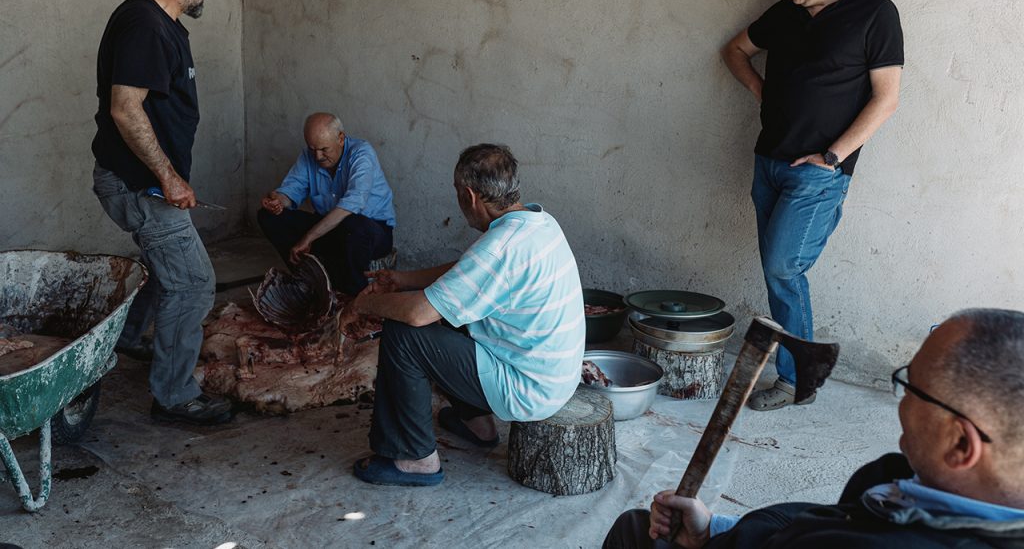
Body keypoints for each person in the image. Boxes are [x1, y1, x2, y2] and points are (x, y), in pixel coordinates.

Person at [602, 308, 1024, 548]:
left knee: (633, 533)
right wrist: (716, 531)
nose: (903, 399)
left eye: (911, 386)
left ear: (960, 444)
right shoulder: (910, 482)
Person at [721, 0, 904, 410]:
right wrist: (761, 91)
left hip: (817, 173)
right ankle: (799, 375)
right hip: (769, 161)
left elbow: (886, 100)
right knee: (777, 271)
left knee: (783, 265)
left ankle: (797, 376)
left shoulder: (875, 13)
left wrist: (832, 158)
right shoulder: (786, 14)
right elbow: (734, 50)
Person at [349, 143, 586, 486]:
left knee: (406, 334)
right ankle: (478, 425)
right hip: (553, 377)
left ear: (470, 196)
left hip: (528, 389)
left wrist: (360, 305)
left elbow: (417, 314)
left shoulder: (500, 247)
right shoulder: (537, 223)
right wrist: (402, 280)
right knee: (452, 312)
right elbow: (469, 272)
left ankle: (415, 458)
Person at [90, 0, 238, 425]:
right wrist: (169, 179)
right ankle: (174, 397)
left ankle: (128, 339)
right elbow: (125, 109)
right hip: (139, 185)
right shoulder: (144, 26)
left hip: (149, 182)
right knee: (194, 284)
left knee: (168, 267)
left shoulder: (164, 24)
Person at [256, 112, 396, 295]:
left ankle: (355, 296)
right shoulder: (309, 155)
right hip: (331, 229)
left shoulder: (362, 153)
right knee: (268, 216)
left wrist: (308, 238)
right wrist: (277, 201)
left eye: (324, 149)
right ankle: (308, 278)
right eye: (312, 149)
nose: (318, 156)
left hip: (372, 233)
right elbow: (292, 190)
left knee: (355, 223)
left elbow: (353, 203)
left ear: (340, 138)